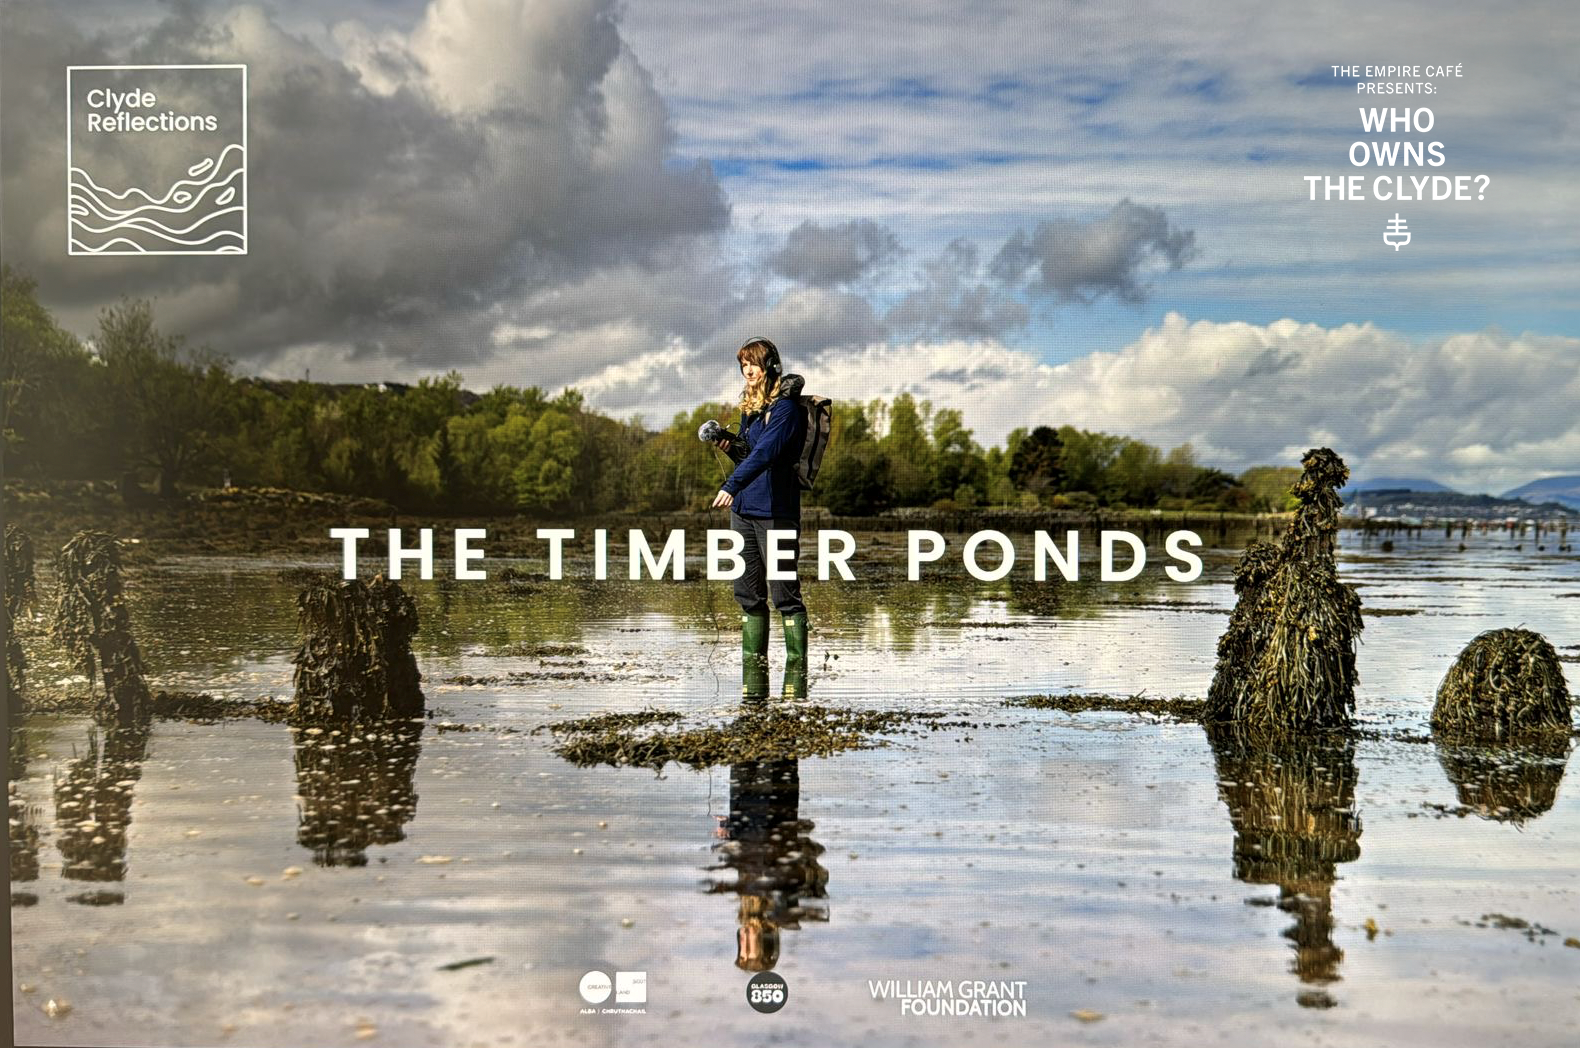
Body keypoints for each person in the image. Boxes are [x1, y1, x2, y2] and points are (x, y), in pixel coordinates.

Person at [710, 337, 809, 695]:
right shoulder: (749, 409)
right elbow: (749, 453)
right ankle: (753, 687)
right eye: (743, 365)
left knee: (784, 594)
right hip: (743, 512)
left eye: (753, 363)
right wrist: (729, 444)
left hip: (776, 512)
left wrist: (731, 484)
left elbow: (766, 453)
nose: (748, 370)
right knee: (748, 594)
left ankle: (796, 682)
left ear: (771, 366)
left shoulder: (787, 410)